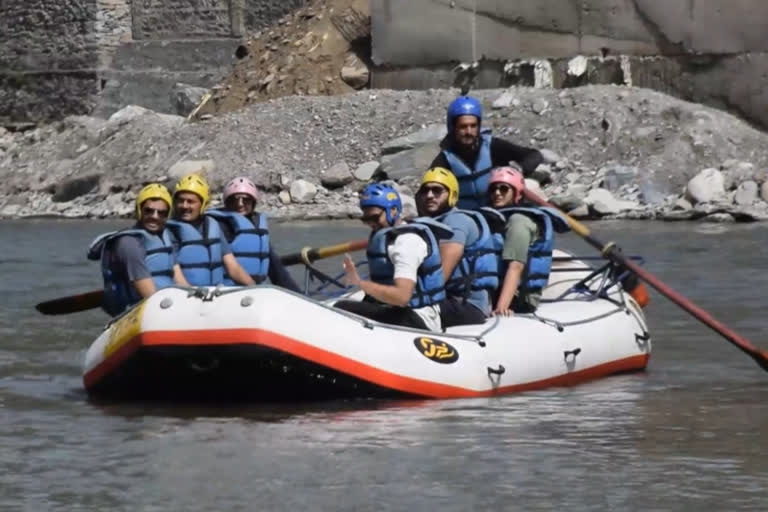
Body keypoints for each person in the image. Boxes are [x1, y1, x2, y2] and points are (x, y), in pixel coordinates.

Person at [335, 184, 452, 331]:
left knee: (341, 307)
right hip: (395, 310)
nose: (371, 224)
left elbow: (402, 296)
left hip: (419, 317)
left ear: (394, 211)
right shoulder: (388, 237)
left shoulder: (407, 243)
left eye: (375, 217)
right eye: (366, 219)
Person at [87, 184, 189, 316]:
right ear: (139, 210)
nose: (155, 216)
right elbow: (150, 295)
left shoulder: (165, 237)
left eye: (161, 212)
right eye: (148, 210)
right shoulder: (130, 244)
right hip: (139, 312)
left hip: (167, 303)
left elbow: (180, 280)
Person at [415, 167, 498, 326]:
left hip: (467, 306)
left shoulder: (456, 222)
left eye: (437, 190)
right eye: (425, 190)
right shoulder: (432, 224)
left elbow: (440, 277)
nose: (430, 195)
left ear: (451, 194)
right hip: (446, 300)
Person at [429, 95, 543, 209]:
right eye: (463, 127)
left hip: (498, 210)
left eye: (473, 126)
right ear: (453, 128)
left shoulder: (493, 146)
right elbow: (427, 192)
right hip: (466, 217)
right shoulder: (444, 160)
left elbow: (534, 155)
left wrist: (519, 170)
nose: (469, 131)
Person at [483, 166, 569, 315]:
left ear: (516, 193)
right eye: (493, 189)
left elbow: (515, 266)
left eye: (504, 189)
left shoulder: (519, 222)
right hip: (496, 289)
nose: (497, 193)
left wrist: (501, 307)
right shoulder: (496, 219)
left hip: (519, 298)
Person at [205, 176, 301, 292]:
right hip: (226, 293)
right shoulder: (219, 225)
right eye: (234, 200)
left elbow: (277, 270)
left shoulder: (257, 228)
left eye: (246, 199)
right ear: (227, 202)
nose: (240, 204)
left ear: (253, 202)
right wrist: (254, 287)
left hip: (253, 293)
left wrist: (297, 295)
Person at [166, 173, 255, 287]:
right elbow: (175, 273)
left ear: (203, 204)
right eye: (180, 200)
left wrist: (253, 287)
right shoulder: (169, 231)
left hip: (215, 294)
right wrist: (192, 294)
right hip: (185, 295)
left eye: (190, 201)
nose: (184, 206)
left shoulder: (213, 226)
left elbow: (232, 266)